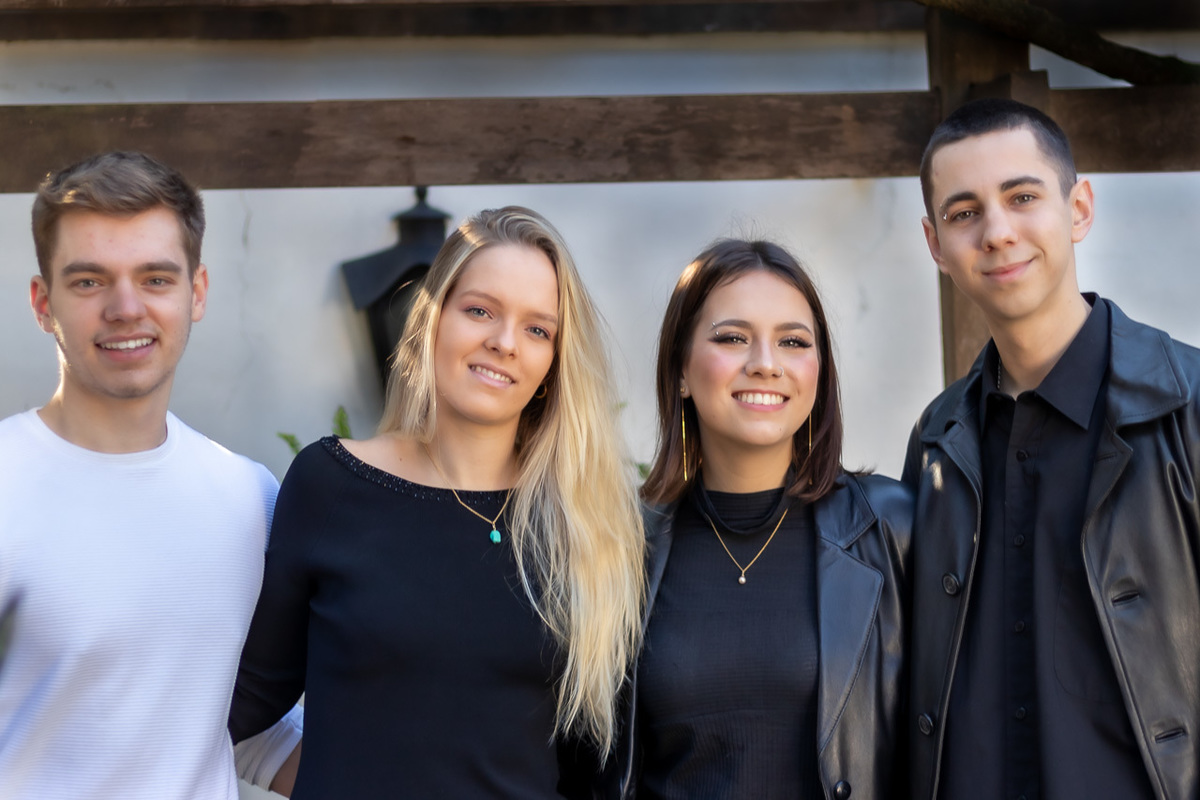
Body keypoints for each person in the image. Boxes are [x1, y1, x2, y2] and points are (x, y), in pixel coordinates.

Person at [229, 206, 645, 797]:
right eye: (480, 310)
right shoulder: (329, 485)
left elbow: (595, 770)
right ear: (432, 320)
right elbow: (243, 700)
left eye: (537, 329)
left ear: (554, 362)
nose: (504, 343)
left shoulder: (585, 526)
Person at [905, 97, 1200, 800]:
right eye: (964, 211)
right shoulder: (936, 441)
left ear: (1079, 209)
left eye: (1023, 196)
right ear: (935, 244)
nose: (997, 232)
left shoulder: (1188, 407)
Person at [0, 151, 300, 799]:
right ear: (41, 301)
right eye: (88, 282)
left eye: (156, 279)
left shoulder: (251, 498)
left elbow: (244, 728)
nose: (125, 307)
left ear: (196, 293)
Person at [611, 239, 912, 799]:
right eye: (732, 338)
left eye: (793, 342)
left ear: (819, 371)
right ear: (679, 369)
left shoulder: (891, 529)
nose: (766, 364)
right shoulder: (622, 545)